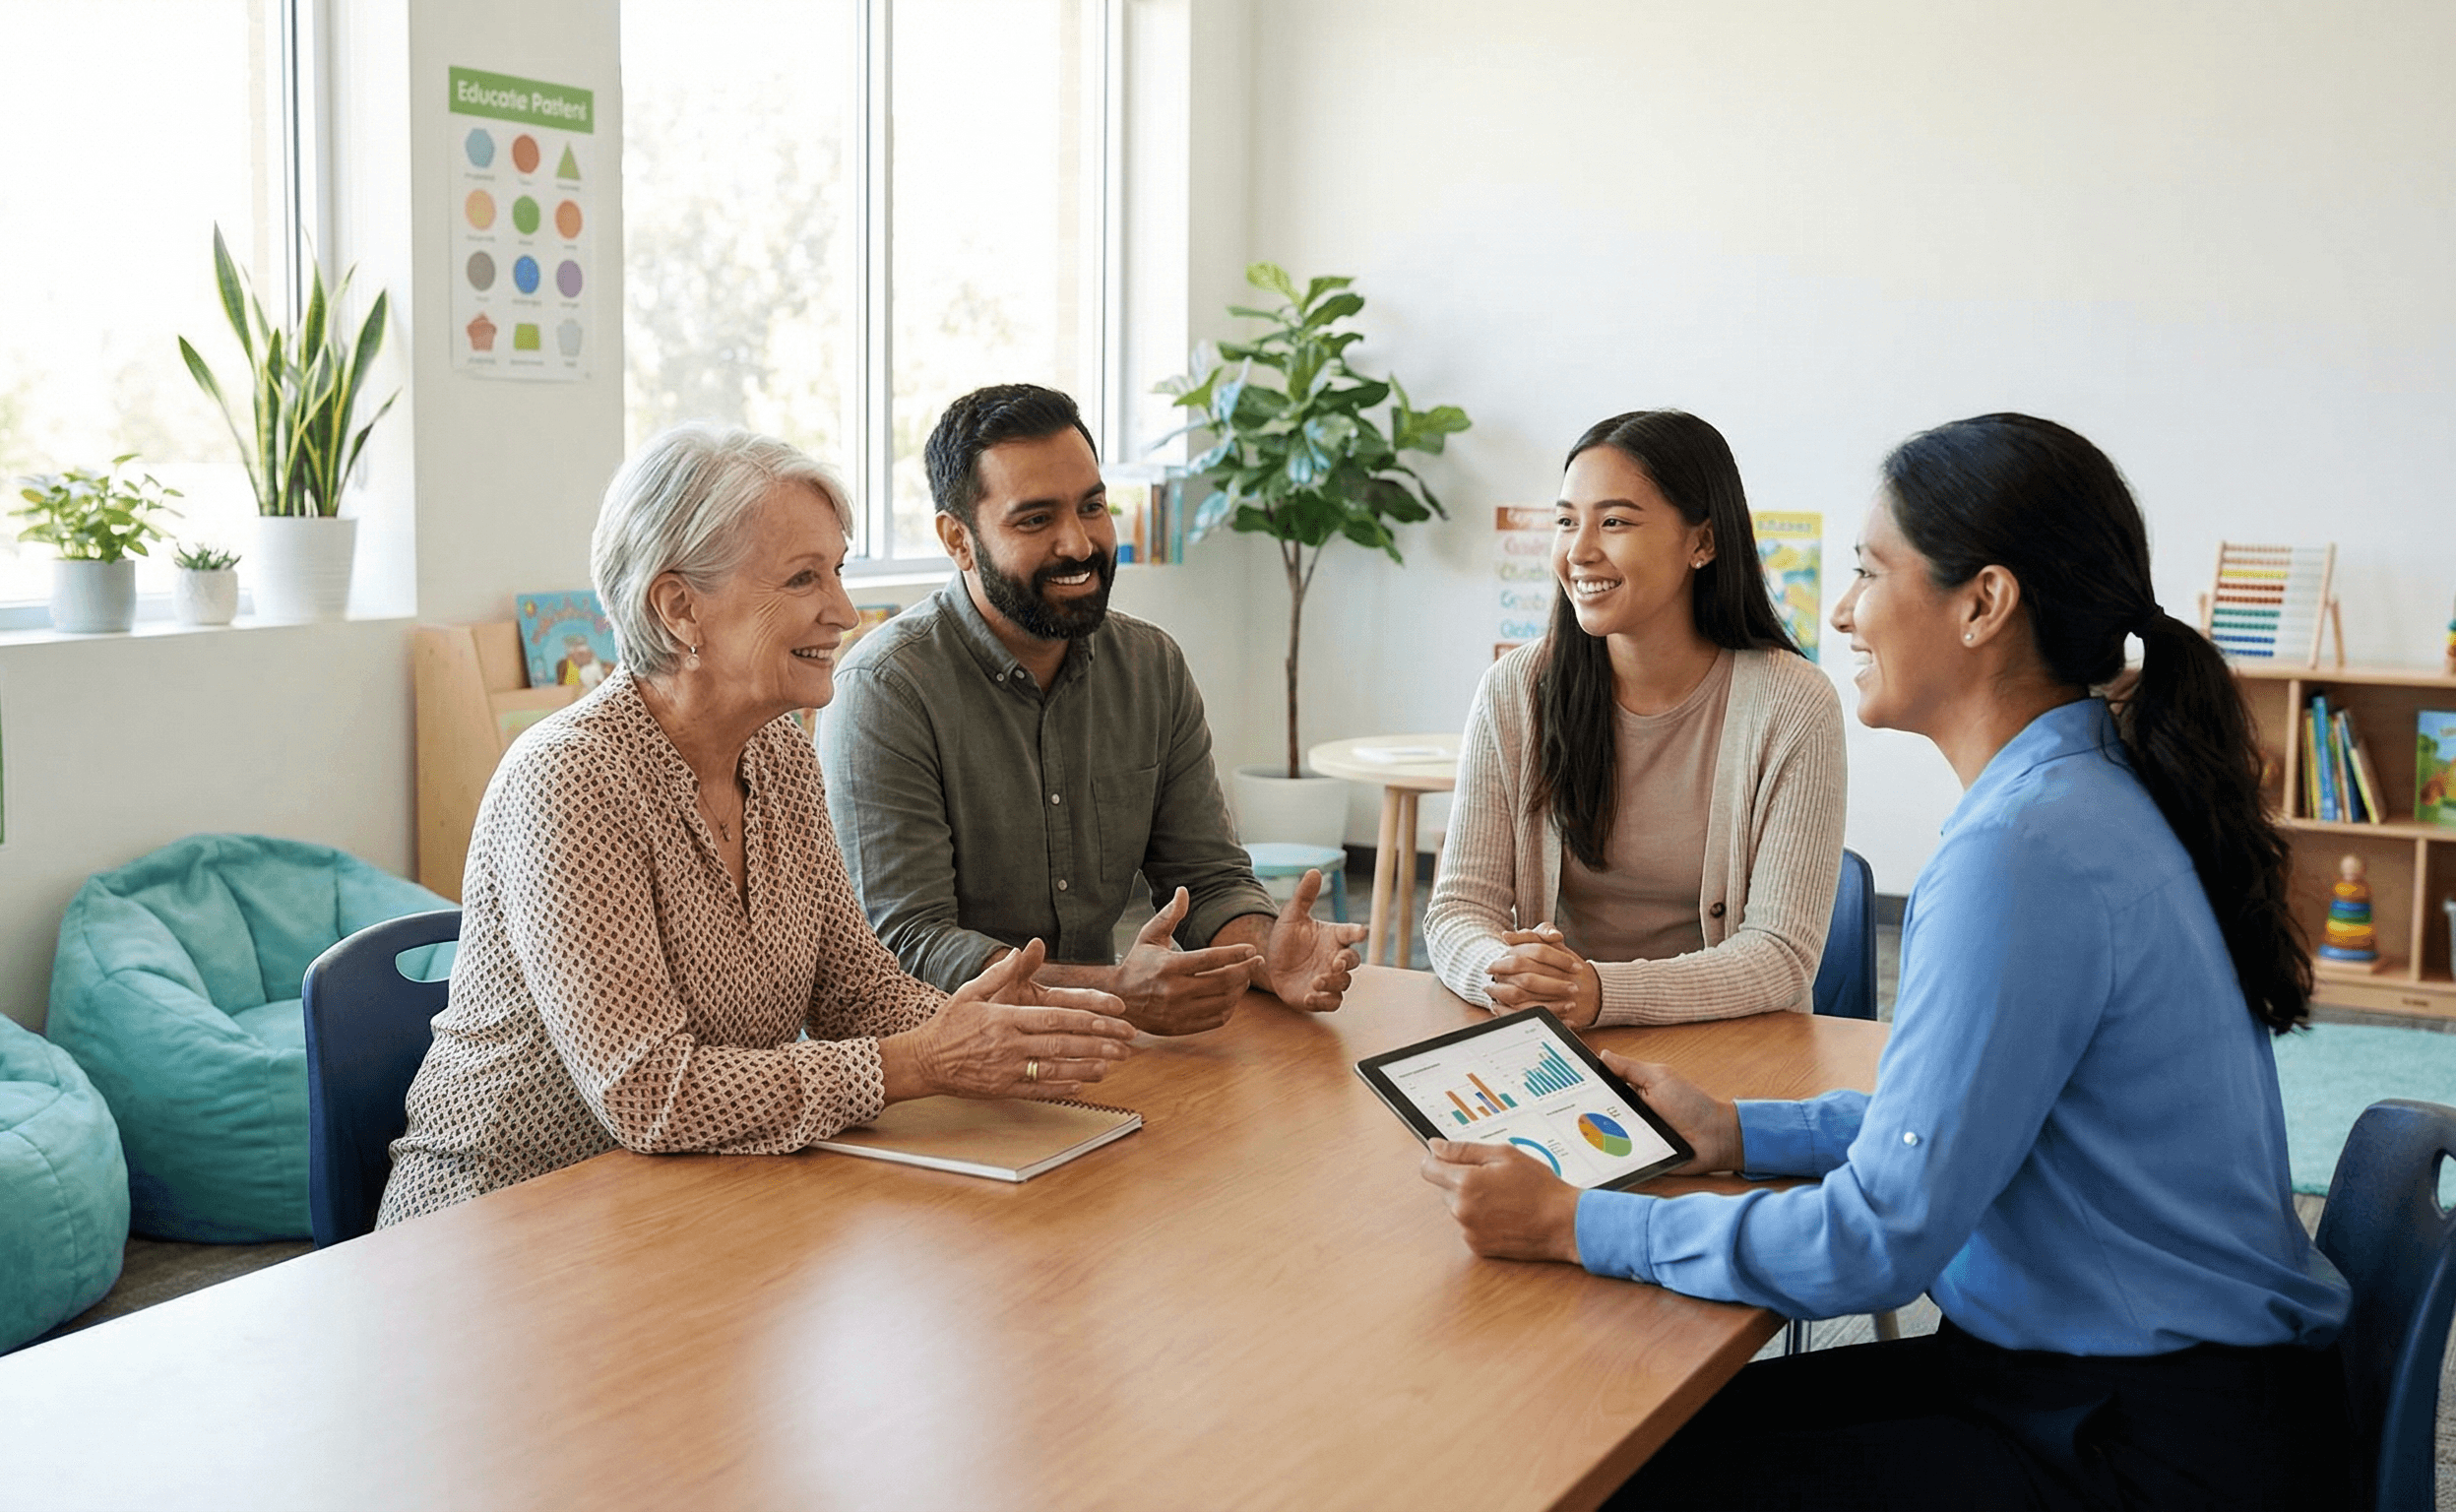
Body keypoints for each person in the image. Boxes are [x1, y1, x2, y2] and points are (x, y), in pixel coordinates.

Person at [1417, 413, 2353, 1509]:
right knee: (1635, 1439)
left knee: (1613, 1468)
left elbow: (1876, 1242)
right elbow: (1959, 1122)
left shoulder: (2021, 851)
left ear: (1982, 604)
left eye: (1868, 570)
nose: (1844, 610)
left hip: (2140, 1438)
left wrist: (1574, 1223)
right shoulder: (2075, 796)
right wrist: (1736, 1127)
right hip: (2121, 1382)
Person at [379, 423, 1140, 1226]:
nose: (843, 610)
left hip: (694, 1197)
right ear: (679, 608)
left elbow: (853, 988)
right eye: (803, 578)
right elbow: (652, 1097)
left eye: (838, 571)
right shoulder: (571, 779)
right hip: (498, 1225)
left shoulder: (775, 748)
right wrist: (918, 1061)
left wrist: (1000, 1035)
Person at [818, 383, 1366, 1037]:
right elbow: (907, 943)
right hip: (929, 1067)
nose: (1079, 545)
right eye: (1035, 520)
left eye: (1093, 507)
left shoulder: (1151, 666)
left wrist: (1266, 950)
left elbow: (1208, 877)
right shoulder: (886, 689)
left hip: (1096, 1055)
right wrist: (1112, 991)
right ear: (959, 540)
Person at [1424, 410, 1845, 1026]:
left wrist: (1596, 993)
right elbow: (1460, 908)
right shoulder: (1516, 689)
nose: (1579, 551)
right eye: (1566, 522)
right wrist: (1508, 979)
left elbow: (1781, 956)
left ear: (1701, 542)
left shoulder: (1794, 703)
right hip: (1558, 1041)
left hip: (1726, 1044)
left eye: (1614, 521)